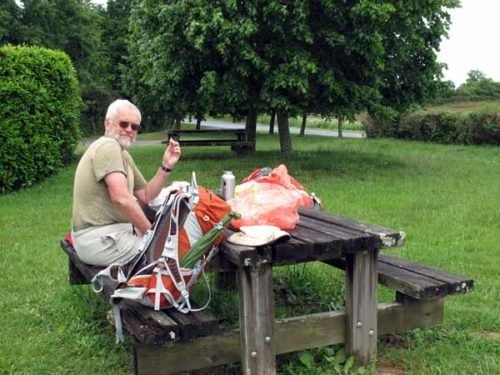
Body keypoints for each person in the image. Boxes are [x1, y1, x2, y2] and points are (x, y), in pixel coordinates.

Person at [71, 99, 181, 266]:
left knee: (169, 248)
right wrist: (151, 234)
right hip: (99, 239)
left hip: (107, 235)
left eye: (135, 126)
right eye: (123, 124)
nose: (129, 130)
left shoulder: (122, 154)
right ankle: (153, 292)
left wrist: (166, 166)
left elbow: (146, 195)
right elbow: (121, 199)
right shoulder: (108, 146)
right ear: (107, 123)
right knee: (168, 255)